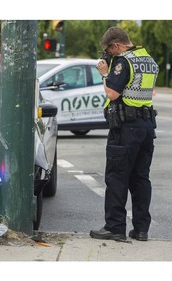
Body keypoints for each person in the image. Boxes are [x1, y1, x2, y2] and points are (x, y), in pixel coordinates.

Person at [90, 27, 159, 242]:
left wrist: (105, 74)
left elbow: (112, 93)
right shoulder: (149, 59)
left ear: (117, 45)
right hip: (146, 126)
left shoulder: (123, 61)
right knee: (140, 179)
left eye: (109, 50)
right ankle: (141, 229)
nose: (109, 55)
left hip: (126, 128)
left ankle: (115, 227)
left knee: (117, 178)